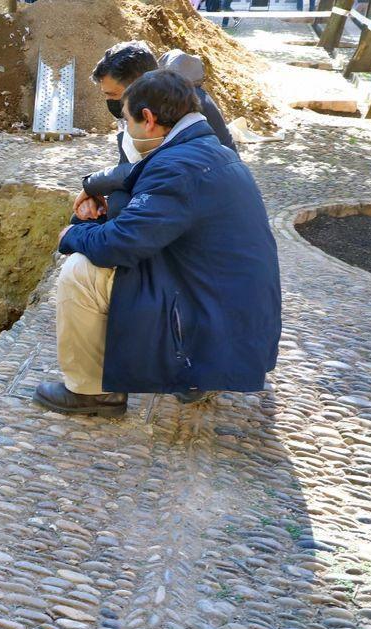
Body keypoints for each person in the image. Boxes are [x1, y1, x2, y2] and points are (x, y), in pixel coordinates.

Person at [33, 70, 281, 416]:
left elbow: (122, 244)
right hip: (231, 316)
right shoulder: (206, 149)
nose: (125, 131)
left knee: (82, 270)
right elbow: (140, 183)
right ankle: (194, 375)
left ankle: (92, 392)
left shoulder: (177, 167)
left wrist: (72, 235)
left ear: (148, 119)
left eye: (125, 121)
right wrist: (98, 191)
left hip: (210, 322)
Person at [76, 42, 236, 222]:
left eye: (113, 95)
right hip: (170, 187)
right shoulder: (141, 105)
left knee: (119, 209)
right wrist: (96, 192)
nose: (110, 103)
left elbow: (154, 170)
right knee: (95, 212)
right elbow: (128, 165)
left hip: (202, 199)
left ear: (138, 85)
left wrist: (93, 184)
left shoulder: (179, 104)